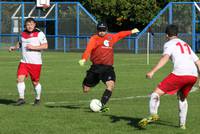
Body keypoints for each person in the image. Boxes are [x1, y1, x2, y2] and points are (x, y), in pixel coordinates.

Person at [138, 24, 200, 129]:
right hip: (193, 75)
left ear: (166, 35)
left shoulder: (169, 44)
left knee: (155, 93)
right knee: (182, 97)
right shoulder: (185, 44)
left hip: (180, 73)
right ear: (177, 34)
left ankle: (153, 115)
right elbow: (198, 62)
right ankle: (182, 125)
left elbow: (165, 58)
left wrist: (152, 71)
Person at [79, 22, 139, 112]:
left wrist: (131, 31)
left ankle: (101, 105)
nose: (101, 32)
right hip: (96, 68)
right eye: (100, 30)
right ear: (97, 30)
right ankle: (87, 82)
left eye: (103, 30)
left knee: (110, 85)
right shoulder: (94, 38)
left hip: (107, 68)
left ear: (106, 30)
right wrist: (84, 59)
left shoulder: (111, 37)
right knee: (86, 89)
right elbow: (88, 49)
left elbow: (120, 34)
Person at [9, 18, 48, 106]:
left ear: (34, 24)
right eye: (27, 24)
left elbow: (45, 46)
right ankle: (21, 98)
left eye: (31, 24)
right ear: (25, 25)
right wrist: (14, 48)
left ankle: (37, 99)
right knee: (19, 79)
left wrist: (33, 47)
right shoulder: (23, 33)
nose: (29, 26)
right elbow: (20, 43)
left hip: (35, 63)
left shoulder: (39, 33)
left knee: (35, 82)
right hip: (24, 62)